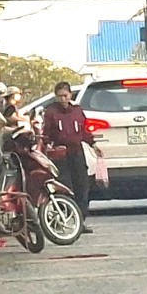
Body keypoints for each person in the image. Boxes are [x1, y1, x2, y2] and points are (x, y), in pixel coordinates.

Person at [40, 80, 98, 234]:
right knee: (64, 187)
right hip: (61, 155)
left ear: (70, 95)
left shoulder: (77, 111)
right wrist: (47, 145)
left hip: (77, 152)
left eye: (65, 95)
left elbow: (84, 131)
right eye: (60, 96)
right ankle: (62, 219)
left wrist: (93, 144)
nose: (63, 99)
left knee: (82, 186)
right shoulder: (51, 112)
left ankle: (80, 221)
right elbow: (46, 133)